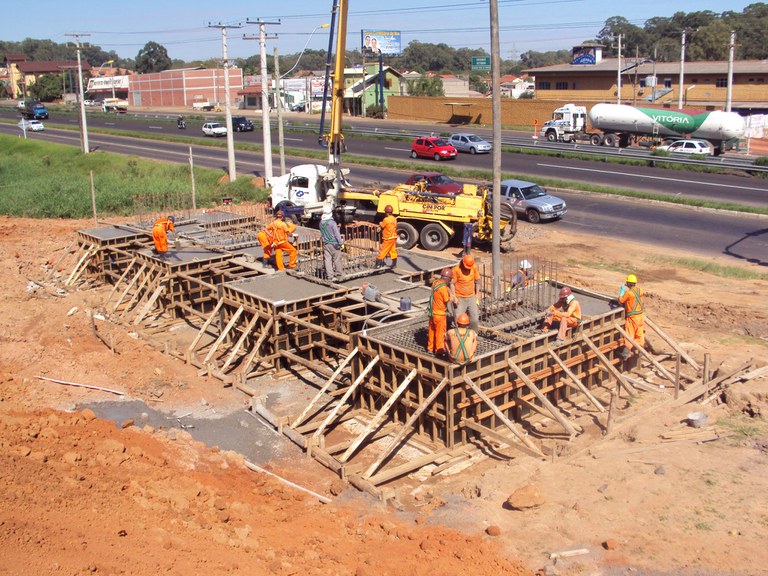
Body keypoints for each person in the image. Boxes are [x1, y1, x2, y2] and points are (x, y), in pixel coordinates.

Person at [450, 254, 480, 332]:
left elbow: (477, 281)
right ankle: (456, 337)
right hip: (460, 298)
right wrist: (454, 297)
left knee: (474, 318)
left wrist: (477, 294)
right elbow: (452, 283)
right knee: (458, 319)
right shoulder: (456, 269)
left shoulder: (474, 268)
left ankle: (473, 336)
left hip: (471, 297)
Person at [618, 273, 644, 360]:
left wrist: (622, 291)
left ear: (628, 283)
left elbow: (621, 300)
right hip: (640, 316)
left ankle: (625, 354)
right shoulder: (640, 290)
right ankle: (641, 350)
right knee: (639, 334)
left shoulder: (628, 293)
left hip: (632, 318)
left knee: (629, 335)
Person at [428, 268, 453, 357]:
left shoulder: (435, 283)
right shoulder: (443, 288)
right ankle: (439, 350)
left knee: (432, 331)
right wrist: (452, 297)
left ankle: (430, 348)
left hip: (432, 313)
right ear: (447, 279)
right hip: (440, 314)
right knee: (440, 333)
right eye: (449, 280)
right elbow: (447, 300)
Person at [319, 203, 344, 280]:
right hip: (334, 243)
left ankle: (329, 276)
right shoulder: (332, 223)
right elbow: (337, 234)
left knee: (328, 260)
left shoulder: (321, 223)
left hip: (326, 244)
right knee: (336, 259)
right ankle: (339, 274)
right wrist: (340, 242)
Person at [375, 204, 398, 269]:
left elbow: (382, 226)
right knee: (392, 250)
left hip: (388, 238)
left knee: (383, 250)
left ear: (386, 212)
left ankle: (377, 265)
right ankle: (394, 264)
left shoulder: (386, 219)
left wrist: (380, 224)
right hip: (393, 237)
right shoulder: (394, 219)